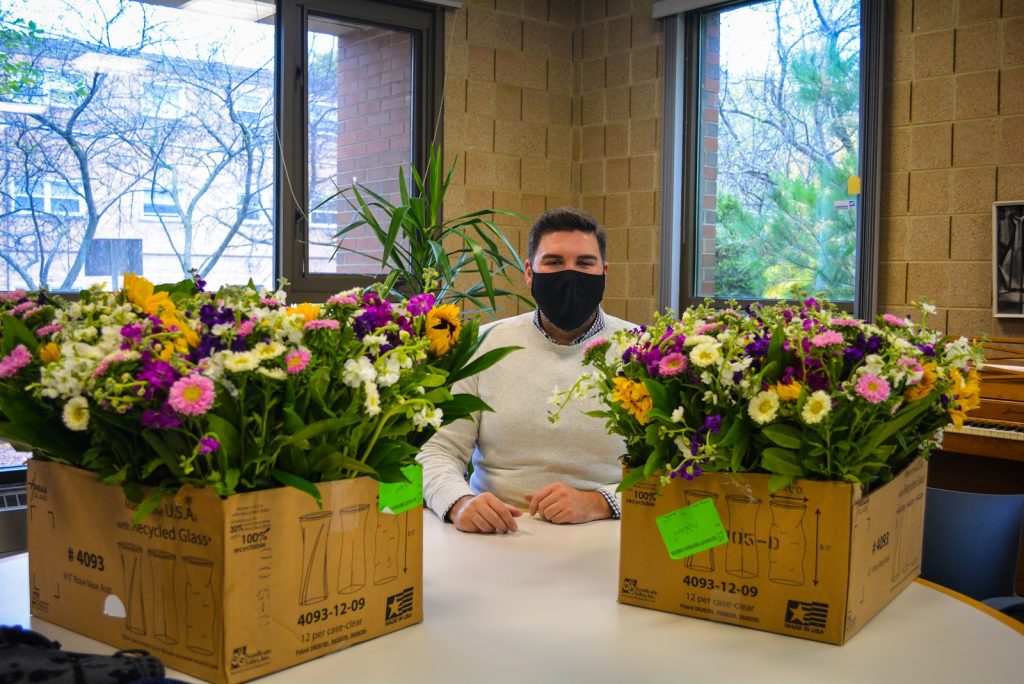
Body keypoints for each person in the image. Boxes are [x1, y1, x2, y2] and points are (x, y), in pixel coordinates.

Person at [417, 207, 635, 534]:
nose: (569, 275)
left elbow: (678, 471)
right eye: (554, 262)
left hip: (612, 536)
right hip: (496, 537)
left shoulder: (646, 351)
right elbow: (438, 450)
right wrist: (458, 502)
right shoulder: (483, 345)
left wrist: (600, 502)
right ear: (529, 273)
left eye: (584, 263)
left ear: (604, 272)